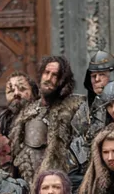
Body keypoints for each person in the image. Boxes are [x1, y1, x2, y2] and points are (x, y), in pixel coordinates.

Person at [9, 55, 83, 187]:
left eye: (55, 75)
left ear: (63, 81)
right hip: (30, 186)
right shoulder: (28, 112)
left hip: (62, 185)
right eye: (46, 73)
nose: (48, 78)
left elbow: (82, 153)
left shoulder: (74, 109)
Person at [0, 71, 38, 141]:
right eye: (11, 91)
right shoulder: (1, 121)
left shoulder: (42, 117)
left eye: (22, 89)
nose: (16, 93)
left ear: (33, 93)